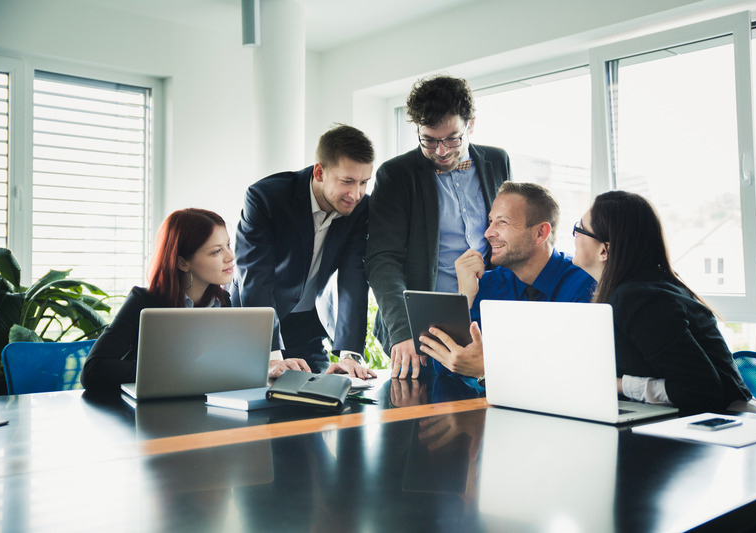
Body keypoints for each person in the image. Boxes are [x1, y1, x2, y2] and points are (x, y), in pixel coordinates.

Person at [366, 74, 511, 379]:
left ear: (470, 124)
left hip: (491, 317)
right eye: (428, 141)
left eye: (452, 139)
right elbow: (383, 259)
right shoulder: (396, 175)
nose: (441, 151)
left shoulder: (498, 160)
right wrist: (403, 331)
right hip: (422, 325)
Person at [572, 190, 756, 414]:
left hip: (730, 424)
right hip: (696, 421)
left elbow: (702, 392)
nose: (574, 235)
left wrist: (618, 384)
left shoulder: (639, 299)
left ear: (605, 250)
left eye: (580, 228)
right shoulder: (639, 289)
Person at [231, 124, 375, 379]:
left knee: (321, 402)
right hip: (256, 321)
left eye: (364, 182)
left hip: (307, 323)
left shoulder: (360, 208)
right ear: (320, 172)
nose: (356, 194)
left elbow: (354, 276)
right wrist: (271, 356)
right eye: (348, 181)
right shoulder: (266, 197)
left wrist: (351, 355)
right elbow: (255, 277)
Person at [418, 182, 595, 380]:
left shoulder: (585, 285)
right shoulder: (486, 284)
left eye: (502, 223)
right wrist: (464, 296)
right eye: (491, 221)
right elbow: (445, 366)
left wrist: (488, 370)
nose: (488, 233)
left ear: (540, 233)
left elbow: (574, 373)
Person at [81, 208, 241, 391]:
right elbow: (93, 370)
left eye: (228, 245)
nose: (230, 257)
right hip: (143, 410)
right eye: (216, 251)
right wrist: (176, 370)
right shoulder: (143, 301)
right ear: (182, 263)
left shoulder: (223, 301)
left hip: (200, 403)